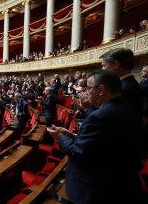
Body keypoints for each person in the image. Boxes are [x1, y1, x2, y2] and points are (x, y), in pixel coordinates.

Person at [47, 70, 142, 204]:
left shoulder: (100, 116)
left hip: (96, 188)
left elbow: (78, 151)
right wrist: (71, 134)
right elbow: (100, 143)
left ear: (101, 89)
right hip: (120, 182)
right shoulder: (129, 109)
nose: (86, 92)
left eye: (89, 88)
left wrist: (60, 136)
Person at [100, 48, 143, 113]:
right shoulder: (128, 83)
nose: (102, 69)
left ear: (116, 65)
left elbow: (113, 115)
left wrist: (88, 108)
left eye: (104, 65)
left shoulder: (123, 88)